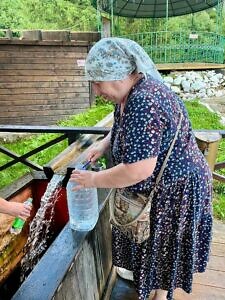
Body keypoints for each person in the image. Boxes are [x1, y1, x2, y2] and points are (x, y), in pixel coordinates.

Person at [70, 37, 212, 300]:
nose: (97, 91)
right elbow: (124, 126)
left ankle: (159, 296)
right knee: (158, 249)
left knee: (164, 249)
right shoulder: (130, 94)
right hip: (167, 186)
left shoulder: (144, 101)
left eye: (98, 83)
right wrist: (104, 143)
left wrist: (93, 179)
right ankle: (157, 293)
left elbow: (138, 170)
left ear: (117, 75)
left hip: (176, 188)